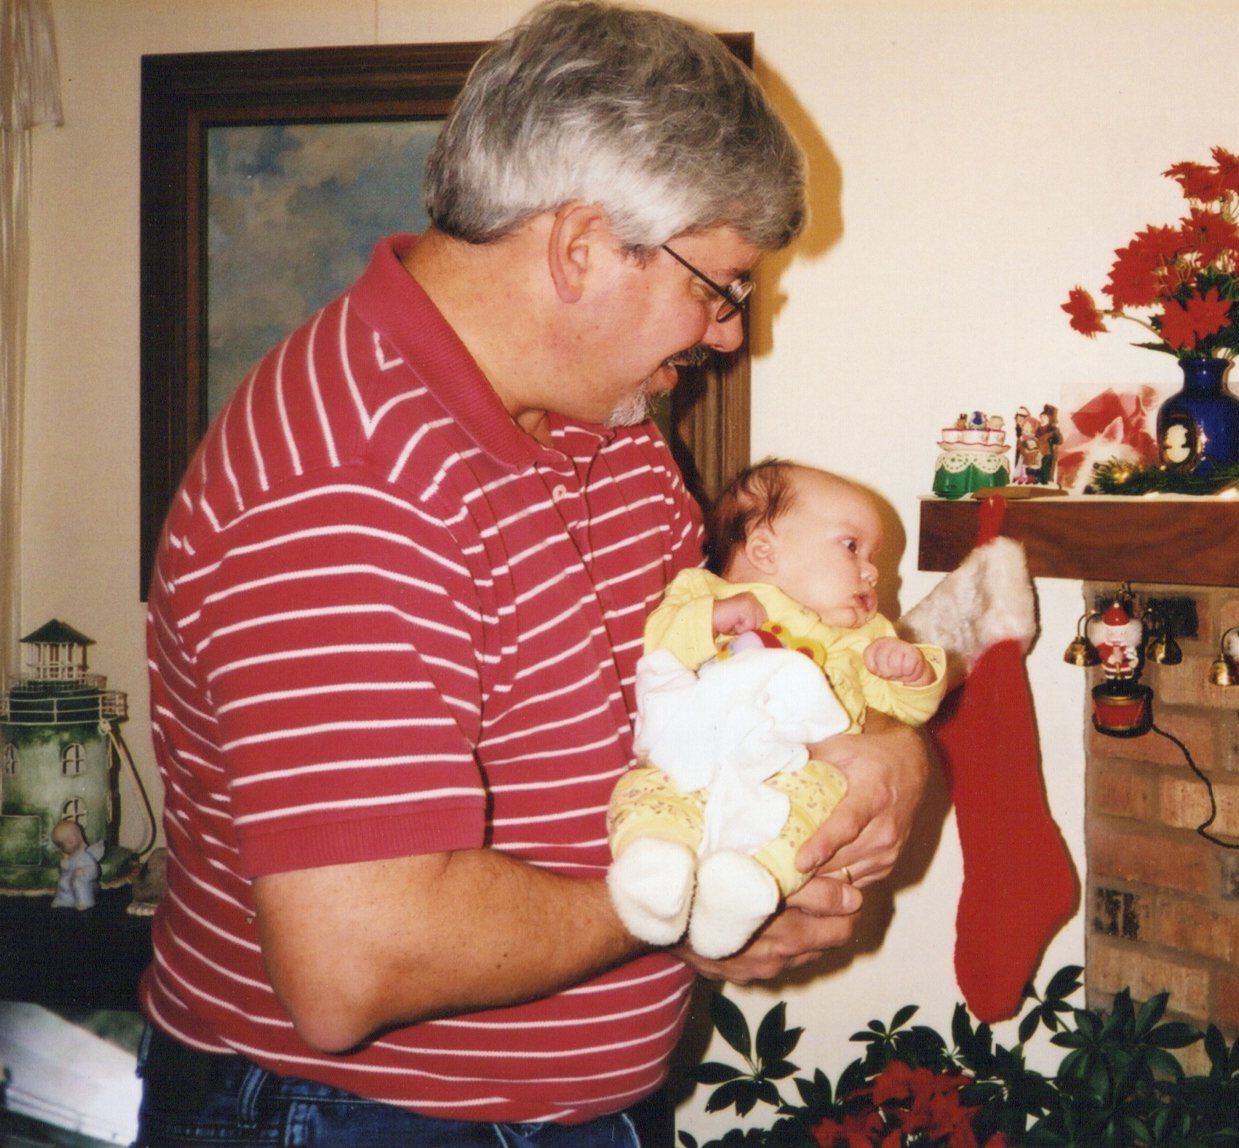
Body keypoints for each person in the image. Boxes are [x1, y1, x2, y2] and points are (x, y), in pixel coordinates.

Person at [136, 4, 930, 1145]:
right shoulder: (346, 474)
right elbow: (352, 961)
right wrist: (691, 902)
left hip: (577, 1109)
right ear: (580, 246)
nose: (722, 335)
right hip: (351, 1117)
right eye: (719, 286)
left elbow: (724, 670)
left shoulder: (605, 426)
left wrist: (882, 754)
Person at [607, 461, 946, 959]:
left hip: (797, 774)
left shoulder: (862, 638)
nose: (872, 570)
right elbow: (658, 647)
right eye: (852, 546)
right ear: (765, 549)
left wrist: (914, 672)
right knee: (648, 790)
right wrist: (711, 619)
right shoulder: (702, 593)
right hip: (698, 755)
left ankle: (745, 889)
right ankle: (653, 870)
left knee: (816, 814)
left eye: (873, 556)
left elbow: (905, 709)